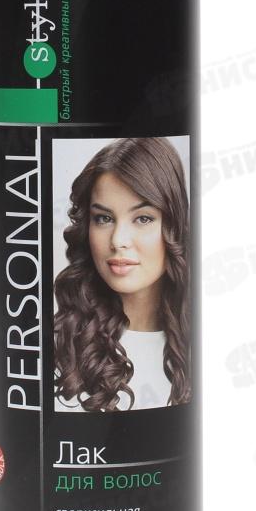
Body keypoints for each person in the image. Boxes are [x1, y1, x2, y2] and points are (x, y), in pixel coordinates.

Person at [53, 137, 191, 412]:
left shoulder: (203, 338)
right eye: (104, 218)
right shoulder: (58, 346)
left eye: (143, 218)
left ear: (174, 225)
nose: (118, 240)